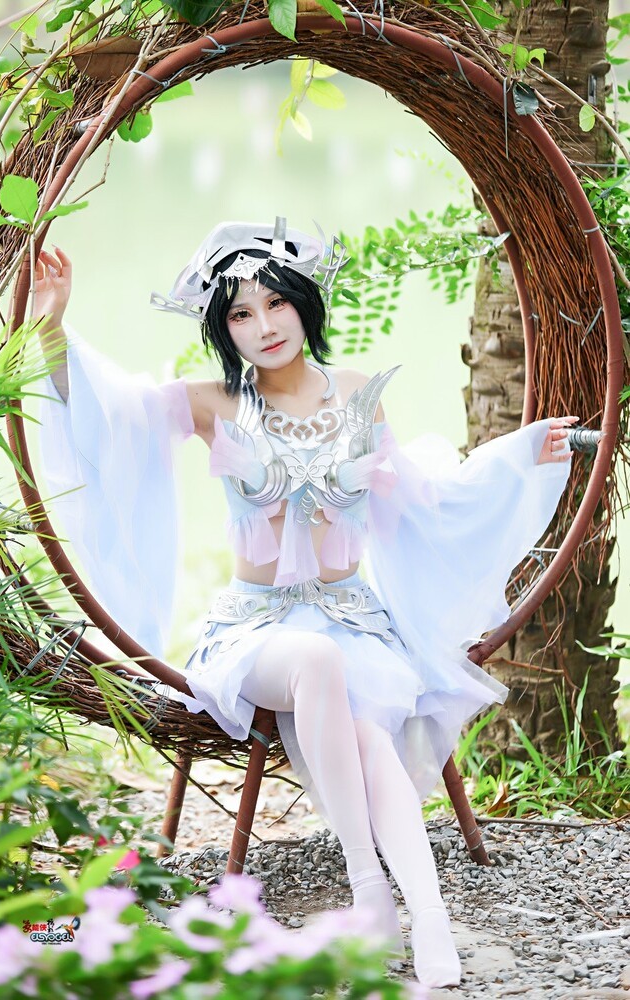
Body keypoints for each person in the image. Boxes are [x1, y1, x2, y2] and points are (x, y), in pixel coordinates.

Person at [34, 219, 576, 989]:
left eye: (275, 303)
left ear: (302, 303)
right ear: (221, 329)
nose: (263, 326)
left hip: (353, 621)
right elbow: (99, 416)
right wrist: (51, 326)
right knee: (316, 662)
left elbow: (423, 497)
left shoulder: (355, 393)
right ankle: (366, 887)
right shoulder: (211, 402)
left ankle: (422, 916)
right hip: (256, 631)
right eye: (240, 314)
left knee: (365, 731)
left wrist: (518, 456)